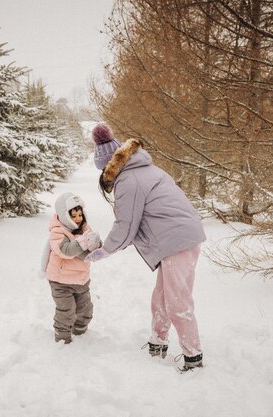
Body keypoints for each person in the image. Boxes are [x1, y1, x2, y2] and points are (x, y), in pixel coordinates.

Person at [86, 123, 206, 372]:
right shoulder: (147, 169)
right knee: (161, 297)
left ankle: (193, 358)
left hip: (177, 240)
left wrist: (102, 251)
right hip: (181, 238)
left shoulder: (129, 180)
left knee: (177, 301)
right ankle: (157, 342)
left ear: (109, 166)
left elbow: (125, 226)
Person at [41, 192, 102, 344]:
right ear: (64, 215)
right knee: (66, 310)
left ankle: (80, 332)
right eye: (73, 215)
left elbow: (92, 250)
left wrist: (96, 243)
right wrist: (83, 241)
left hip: (81, 280)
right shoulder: (57, 232)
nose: (78, 218)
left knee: (85, 309)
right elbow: (66, 251)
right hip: (61, 282)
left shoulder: (84, 229)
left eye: (80, 214)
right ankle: (62, 339)